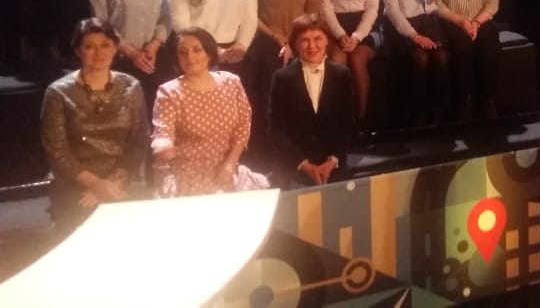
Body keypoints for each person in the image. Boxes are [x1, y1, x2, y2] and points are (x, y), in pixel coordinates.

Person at [40, 18, 149, 230]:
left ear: (115, 48)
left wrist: (114, 182)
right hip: (75, 184)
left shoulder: (131, 86)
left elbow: (140, 140)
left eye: (105, 45)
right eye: (89, 46)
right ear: (77, 51)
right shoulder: (58, 92)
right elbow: (58, 151)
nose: (98, 53)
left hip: (122, 179)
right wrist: (97, 185)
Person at [151, 27, 253, 197]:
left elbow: (243, 126)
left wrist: (230, 164)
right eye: (183, 52)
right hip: (186, 178)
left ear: (209, 53)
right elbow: (163, 131)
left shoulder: (232, 82)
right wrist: (162, 144)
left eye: (197, 50)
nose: (190, 57)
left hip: (227, 169)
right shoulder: (169, 92)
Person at [268, 14, 353, 187]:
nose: (312, 46)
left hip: (334, 169)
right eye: (305, 40)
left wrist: (332, 161)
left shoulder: (342, 75)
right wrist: (304, 165)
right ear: (295, 44)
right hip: (294, 170)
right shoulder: (282, 78)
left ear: (327, 41)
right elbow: (276, 129)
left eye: (317, 39)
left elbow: (347, 124)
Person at [380, 0, 449, 127]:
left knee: (442, 57)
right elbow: (393, 10)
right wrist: (414, 36)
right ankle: (415, 116)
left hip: (427, 21)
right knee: (421, 58)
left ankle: (436, 114)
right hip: (401, 25)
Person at [318, 0, 380, 125]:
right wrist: (340, 34)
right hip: (336, 25)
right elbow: (326, 7)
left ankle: (362, 119)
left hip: (365, 26)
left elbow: (372, 8)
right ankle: (338, 120)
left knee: (357, 57)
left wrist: (358, 35)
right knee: (338, 60)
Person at [437, 0, 500, 120]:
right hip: (452, 20)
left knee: (489, 41)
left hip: (478, 20)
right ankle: (463, 103)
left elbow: (493, 3)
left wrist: (476, 23)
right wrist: (460, 21)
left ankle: (487, 100)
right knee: (462, 45)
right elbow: (437, 4)